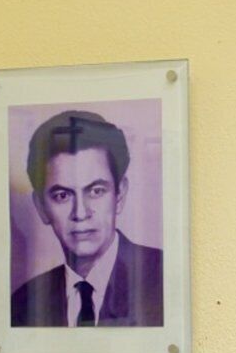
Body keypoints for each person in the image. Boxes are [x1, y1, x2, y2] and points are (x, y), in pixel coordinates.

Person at [9, 109, 165, 328]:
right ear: (41, 207)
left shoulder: (164, 280)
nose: (80, 213)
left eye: (96, 191)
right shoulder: (23, 304)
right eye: (62, 196)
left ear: (119, 195)